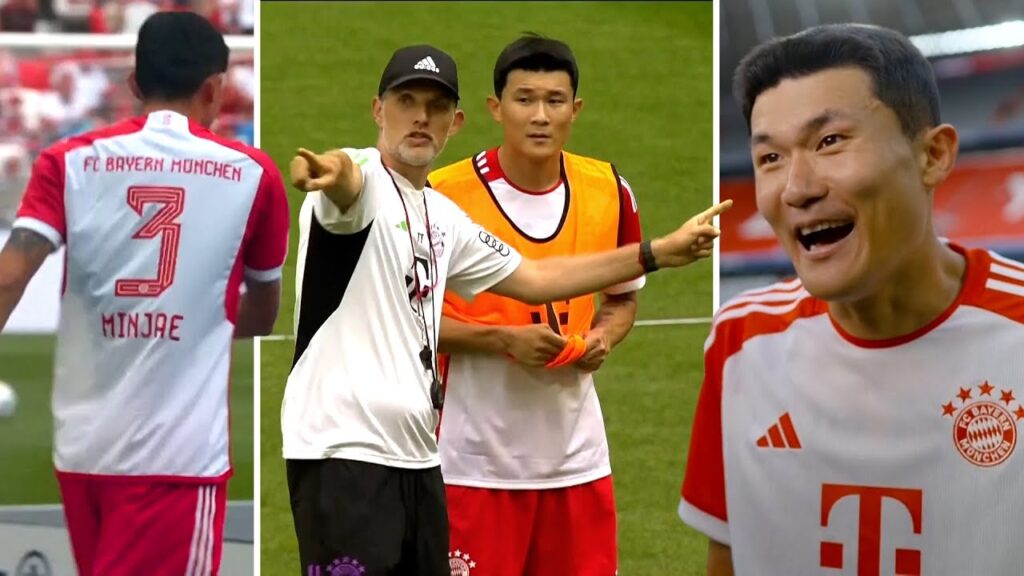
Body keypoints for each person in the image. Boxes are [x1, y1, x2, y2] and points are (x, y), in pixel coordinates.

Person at [284, 44, 729, 576]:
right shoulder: (363, 184)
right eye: (406, 101)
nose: (421, 117)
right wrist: (331, 173)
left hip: (418, 456)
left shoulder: (442, 216)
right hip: (345, 451)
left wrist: (655, 253)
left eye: (437, 106)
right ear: (378, 109)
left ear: (457, 121)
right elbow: (347, 181)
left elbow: (537, 279)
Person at [678, 24, 1024, 576]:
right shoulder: (740, 340)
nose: (797, 187)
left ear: (933, 155)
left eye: (830, 142)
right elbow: (729, 556)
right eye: (769, 158)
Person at [0, 12, 288, 576]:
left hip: (83, 452)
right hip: (174, 458)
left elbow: (11, 276)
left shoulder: (68, 161)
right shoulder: (254, 174)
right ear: (215, 89)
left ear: (133, 84)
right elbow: (262, 311)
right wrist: (200, 312)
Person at [427, 35, 642, 575]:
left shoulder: (610, 189)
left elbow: (621, 302)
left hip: (578, 463)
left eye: (554, 100)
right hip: (473, 463)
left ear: (576, 109)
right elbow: (410, 319)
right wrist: (503, 340)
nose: (540, 115)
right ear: (496, 109)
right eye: (525, 99)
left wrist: (604, 338)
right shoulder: (442, 197)